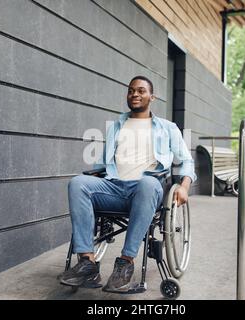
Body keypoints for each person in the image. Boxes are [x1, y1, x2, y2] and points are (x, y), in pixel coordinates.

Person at [59, 76, 196, 293]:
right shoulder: (117, 125)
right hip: (115, 187)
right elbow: (103, 163)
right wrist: (92, 178)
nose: (135, 94)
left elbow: (187, 160)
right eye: (131, 90)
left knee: (148, 184)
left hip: (146, 189)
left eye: (141, 91)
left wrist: (185, 186)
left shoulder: (167, 128)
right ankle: (87, 262)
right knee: (77, 183)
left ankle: (125, 263)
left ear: (152, 97)